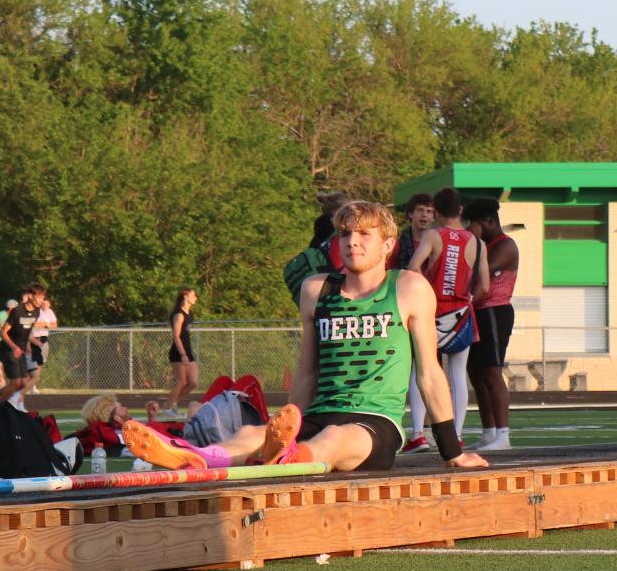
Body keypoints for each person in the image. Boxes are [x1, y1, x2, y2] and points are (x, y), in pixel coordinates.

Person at [120, 199, 487, 475]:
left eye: (364, 234)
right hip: (318, 414)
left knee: (334, 440)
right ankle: (194, 458)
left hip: (373, 422)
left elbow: (429, 373)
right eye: (345, 234)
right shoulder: (316, 290)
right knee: (252, 433)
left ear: (388, 244)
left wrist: (451, 450)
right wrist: (290, 418)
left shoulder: (408, 287)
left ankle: (286, 458)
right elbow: (307, 370)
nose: (352, 242)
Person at [401, 187, 488, 451]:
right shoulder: (477, 242)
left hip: (431, 313)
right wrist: (468, 298)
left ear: (436, 212)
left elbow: (413, 268)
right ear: (460, 210)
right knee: (458, 375)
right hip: (462, 314)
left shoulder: (432, 235)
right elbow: (485, 286)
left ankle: (418, 434)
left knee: (421, 370)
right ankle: (457, 434)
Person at [465, 196, 518, 451]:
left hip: (495, 312)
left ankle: (503, 435)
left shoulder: (505, 246)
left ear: (487, 222)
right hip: (477, 312)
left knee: (493, 372)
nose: (468, 230)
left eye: (471, 225)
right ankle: (488, 432)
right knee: (476, 373)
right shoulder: (483, 244)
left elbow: (479, 272)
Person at [165, 288, 199, 415]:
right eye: (193, 295)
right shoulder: (179, 315)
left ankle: (172, 403)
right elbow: (176, 336)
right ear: (185, 297)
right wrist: (183, 354)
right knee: (182, 382)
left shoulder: (190, 314)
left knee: (193, 382)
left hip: (188, 350)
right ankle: (168, 409)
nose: (195, 297)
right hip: (178, 352)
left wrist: (187, 353)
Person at [24, 283, 58, 392]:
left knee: (39, 362)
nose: (44, 303)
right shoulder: (32, 310)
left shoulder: (49, 312)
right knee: (29, 363)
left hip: (43, 339)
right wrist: (42, 324)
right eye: (41, 298)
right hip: (32, 339)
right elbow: (30, 324)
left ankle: (33, 385)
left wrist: (45, 324)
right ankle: (27, 386)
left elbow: (54, 325)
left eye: (44, 299)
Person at [392, 193, 435, 269]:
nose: (424, 214)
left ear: (433, 218)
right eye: (420, 210)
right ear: (410, 214)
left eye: (429, 211)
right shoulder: (398, 244)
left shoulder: (439, 245)